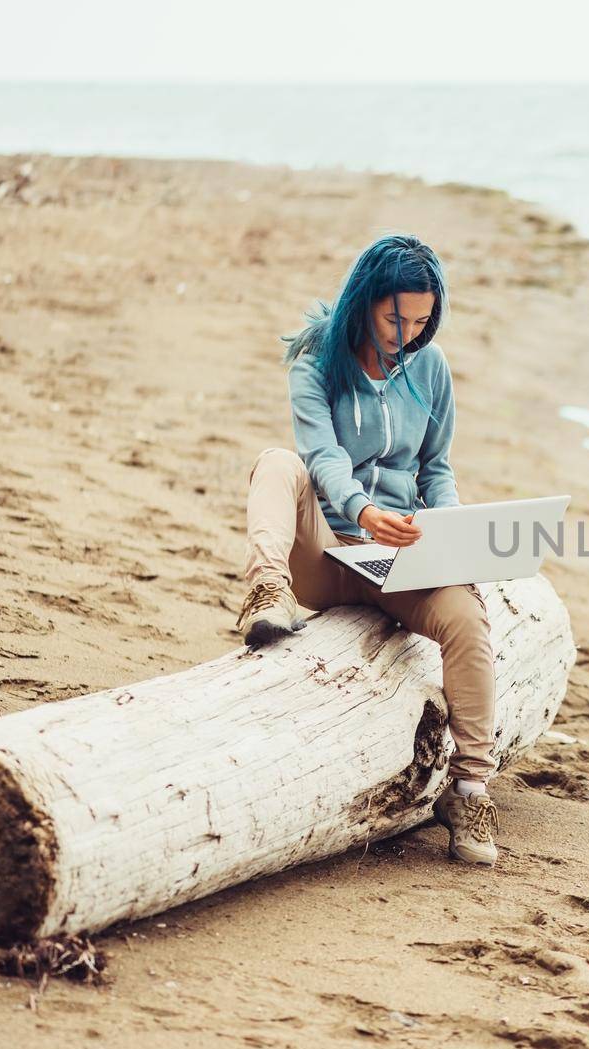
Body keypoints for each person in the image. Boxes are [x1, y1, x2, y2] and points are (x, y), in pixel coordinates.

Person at [235, 233, 499, 866]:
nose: (405, 333)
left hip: (399, 560)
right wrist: (362, 511)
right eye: (393, 317)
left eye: (419, 320)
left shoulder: (430, 369)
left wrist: (451, 531)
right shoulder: (316, 360)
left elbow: (435, 467)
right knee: (277, 463)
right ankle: (265, 591)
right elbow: (321, 456)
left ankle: (469, 789)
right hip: (326, 553)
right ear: (364, 302)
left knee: (468, 622)